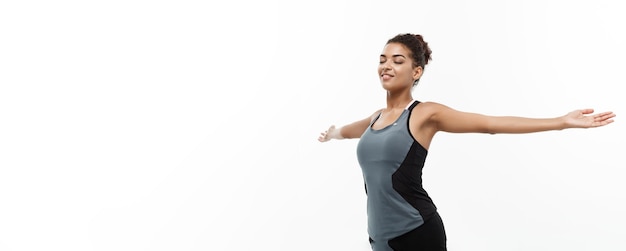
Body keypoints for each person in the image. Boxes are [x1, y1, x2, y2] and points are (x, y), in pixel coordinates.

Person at [317, 33, 616, 251]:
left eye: (397, 60)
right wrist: (333, 133)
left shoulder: (423, 114)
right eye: (382, 60)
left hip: (416, 233)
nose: (386, 66)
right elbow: (349, 131)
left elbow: (490, 124)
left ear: (416, 71)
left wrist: (561, 122)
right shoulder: (374, 119)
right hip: (378, 237)